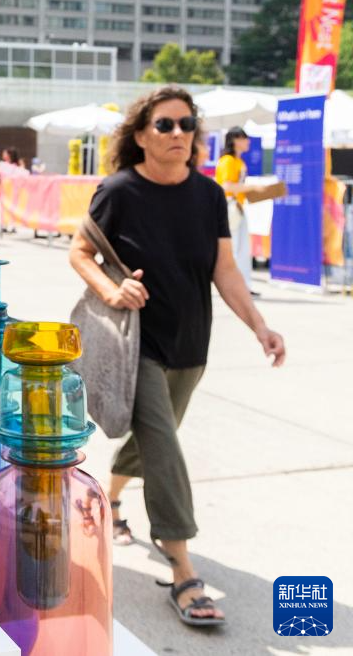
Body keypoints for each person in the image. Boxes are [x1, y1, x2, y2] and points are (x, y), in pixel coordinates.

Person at [68, 86, 285, 628]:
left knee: (152, 439)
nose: (178, 133)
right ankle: (183, 570)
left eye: (187, 124)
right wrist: (112, 289)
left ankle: (109, 499)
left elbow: (224, 270)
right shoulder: (119, 190)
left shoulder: (208, 195)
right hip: (135, 345)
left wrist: (260, 326)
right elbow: (80, 251)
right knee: (164, 446)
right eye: (165, 124)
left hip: (191, 344)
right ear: (141, 135)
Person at [215, 127, 255, 295]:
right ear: (234, 140)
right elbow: (226, 186)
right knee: (233, 248)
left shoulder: (239, 162)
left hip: (238, 206)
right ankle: (234, 286)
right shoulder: (227, 161)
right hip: (229, 206)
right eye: (244, 138)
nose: (247, 142)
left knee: (243, 249)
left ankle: (244, 286)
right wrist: (252, 188)